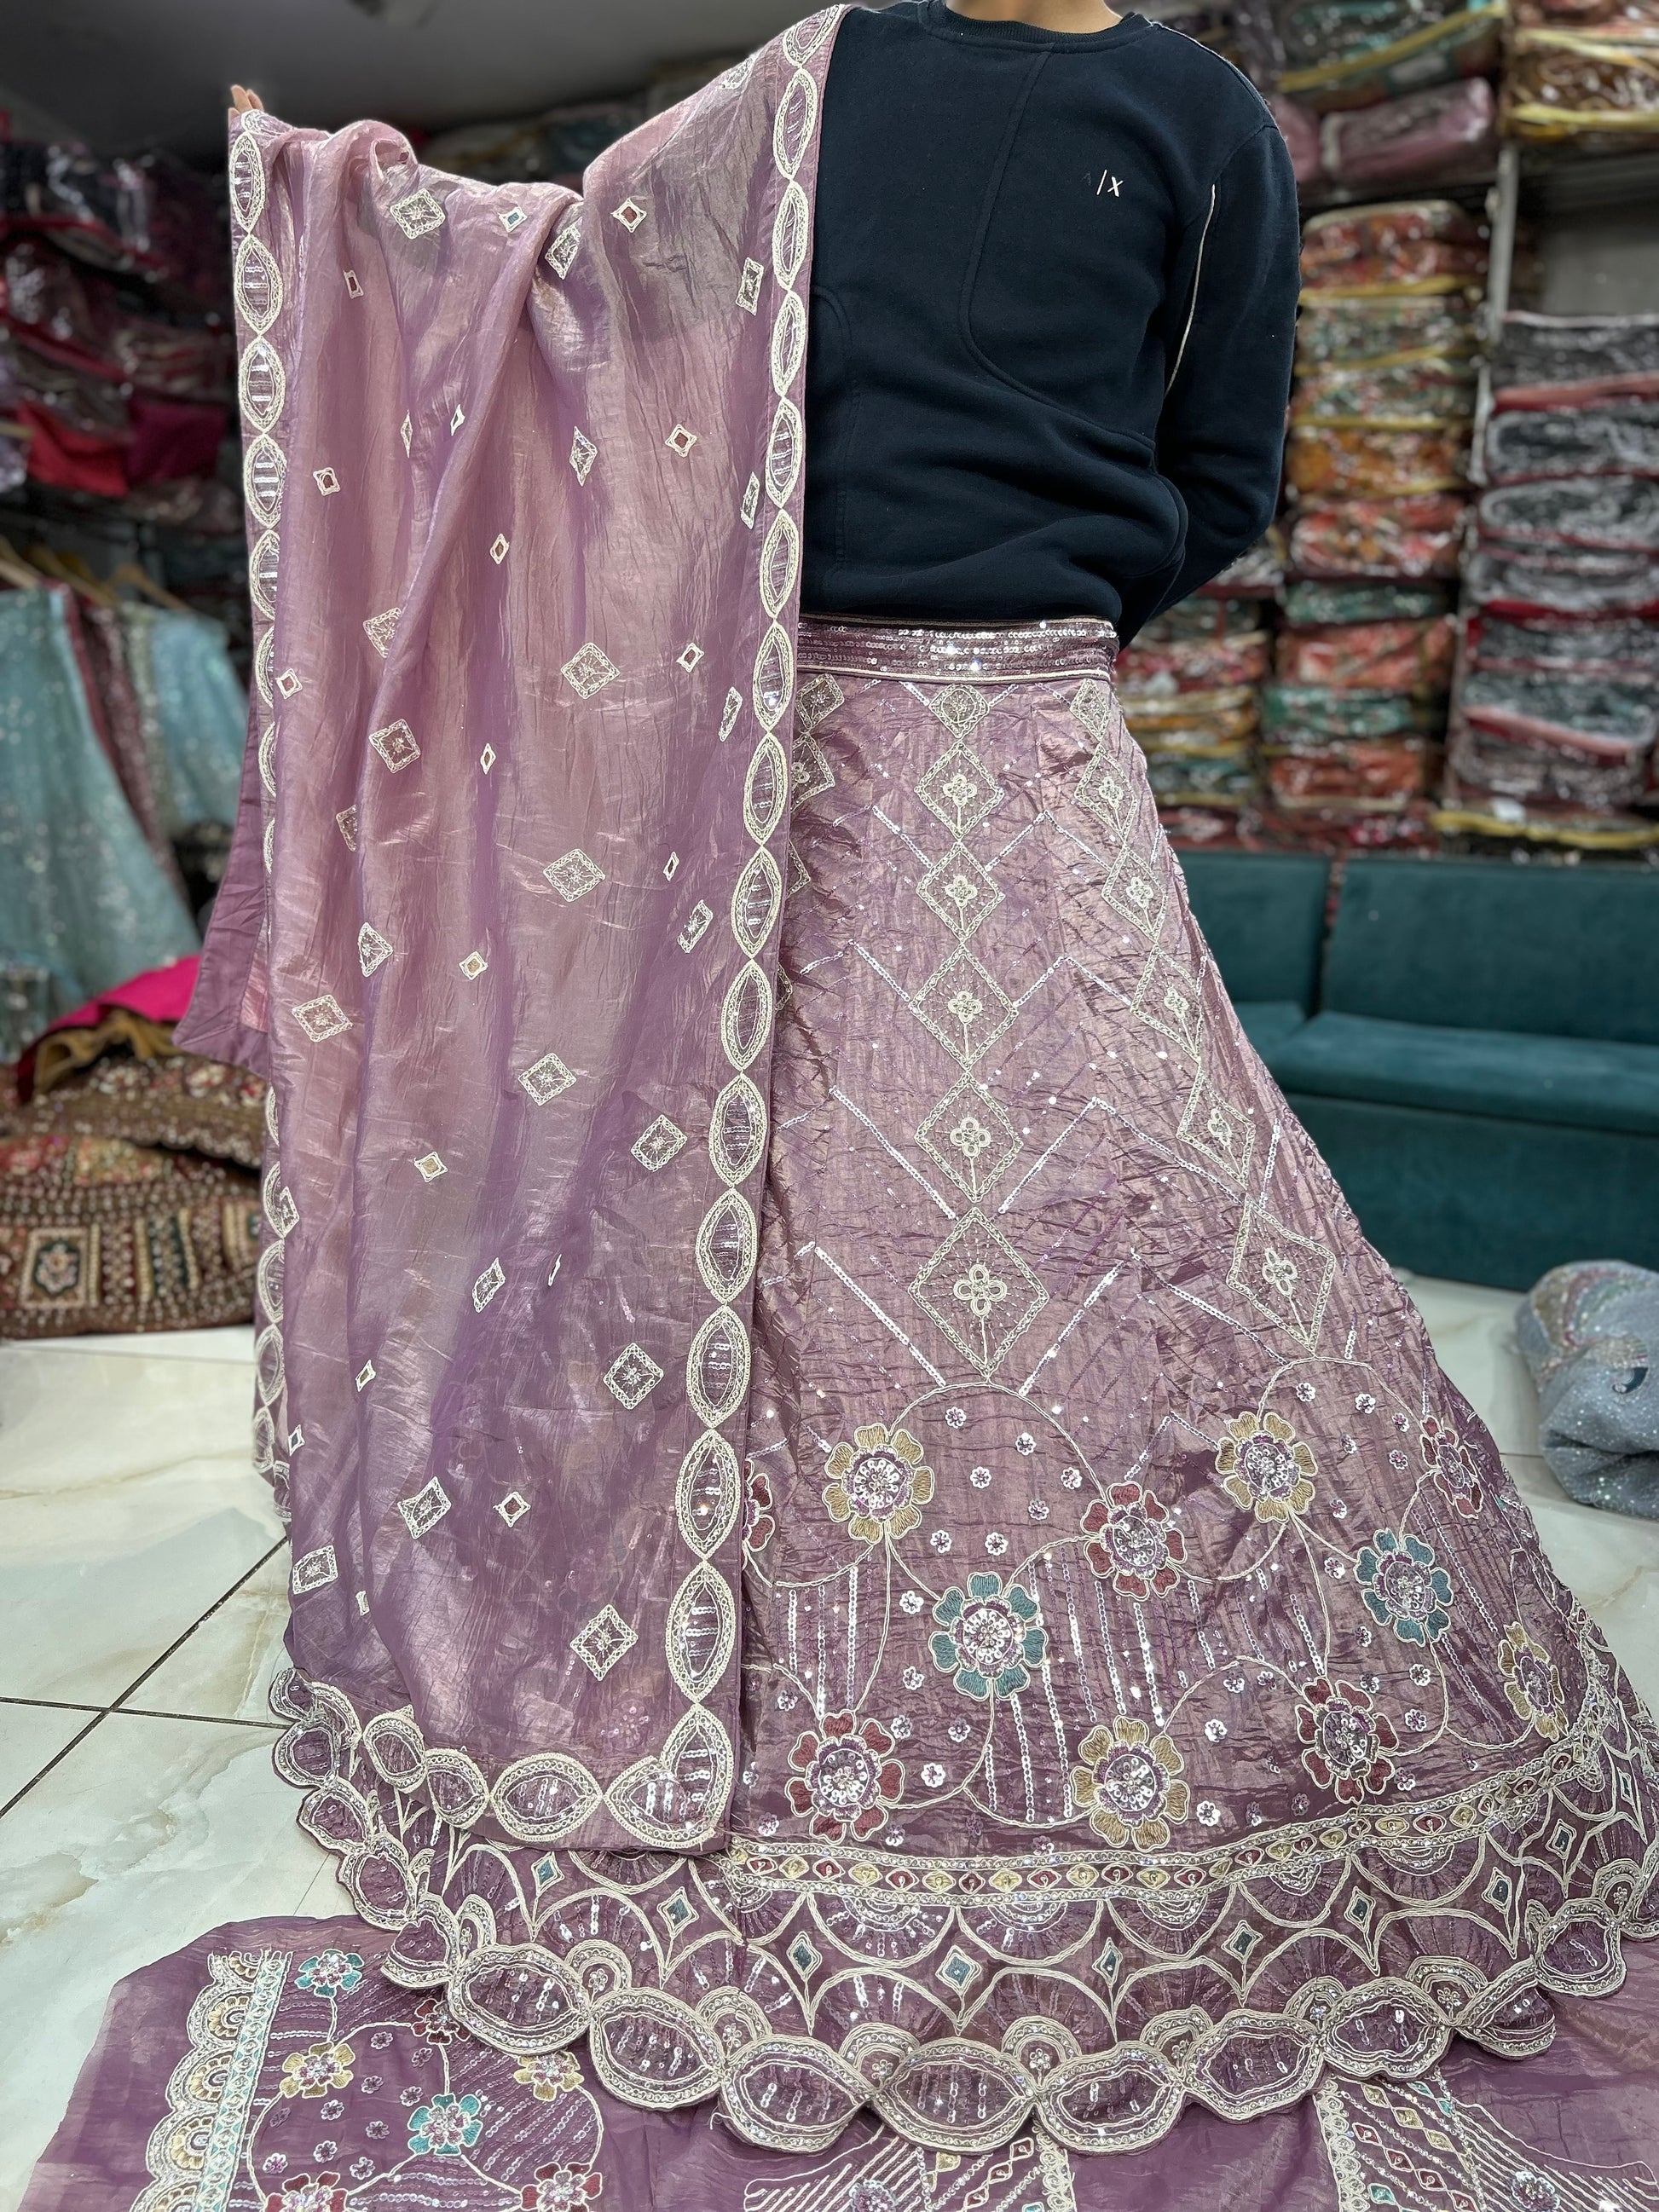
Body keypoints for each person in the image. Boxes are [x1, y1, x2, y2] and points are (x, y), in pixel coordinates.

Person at [183, 14, 1658, 2169]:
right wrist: (337, 200)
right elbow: (572, 287)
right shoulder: (828, 82)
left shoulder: (1176, 118)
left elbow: (1215, 466)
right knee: (787, 1221)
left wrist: (1027, 609)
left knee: (1105, 1215)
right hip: (788, 768)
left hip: (995, 751)